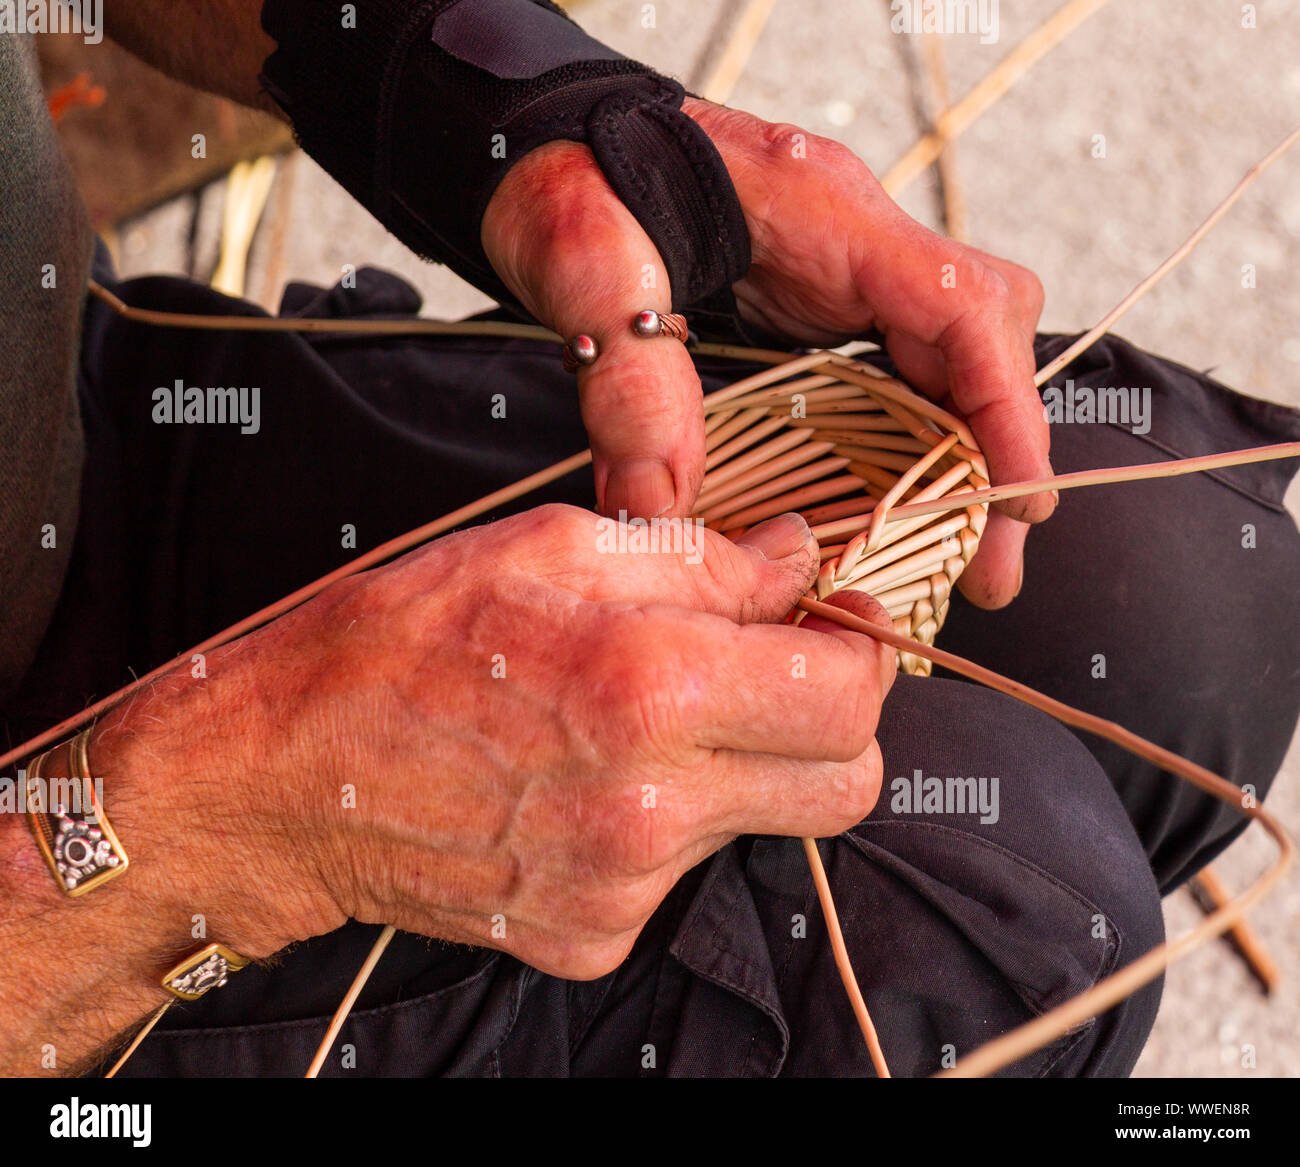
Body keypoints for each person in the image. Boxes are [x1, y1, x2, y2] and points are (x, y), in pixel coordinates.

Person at [1, 2, 1296, 1078]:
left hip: (96, 416)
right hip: (67, 907)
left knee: (1177, 581)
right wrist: (245, 822)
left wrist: (521, 107)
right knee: (1011, 917)